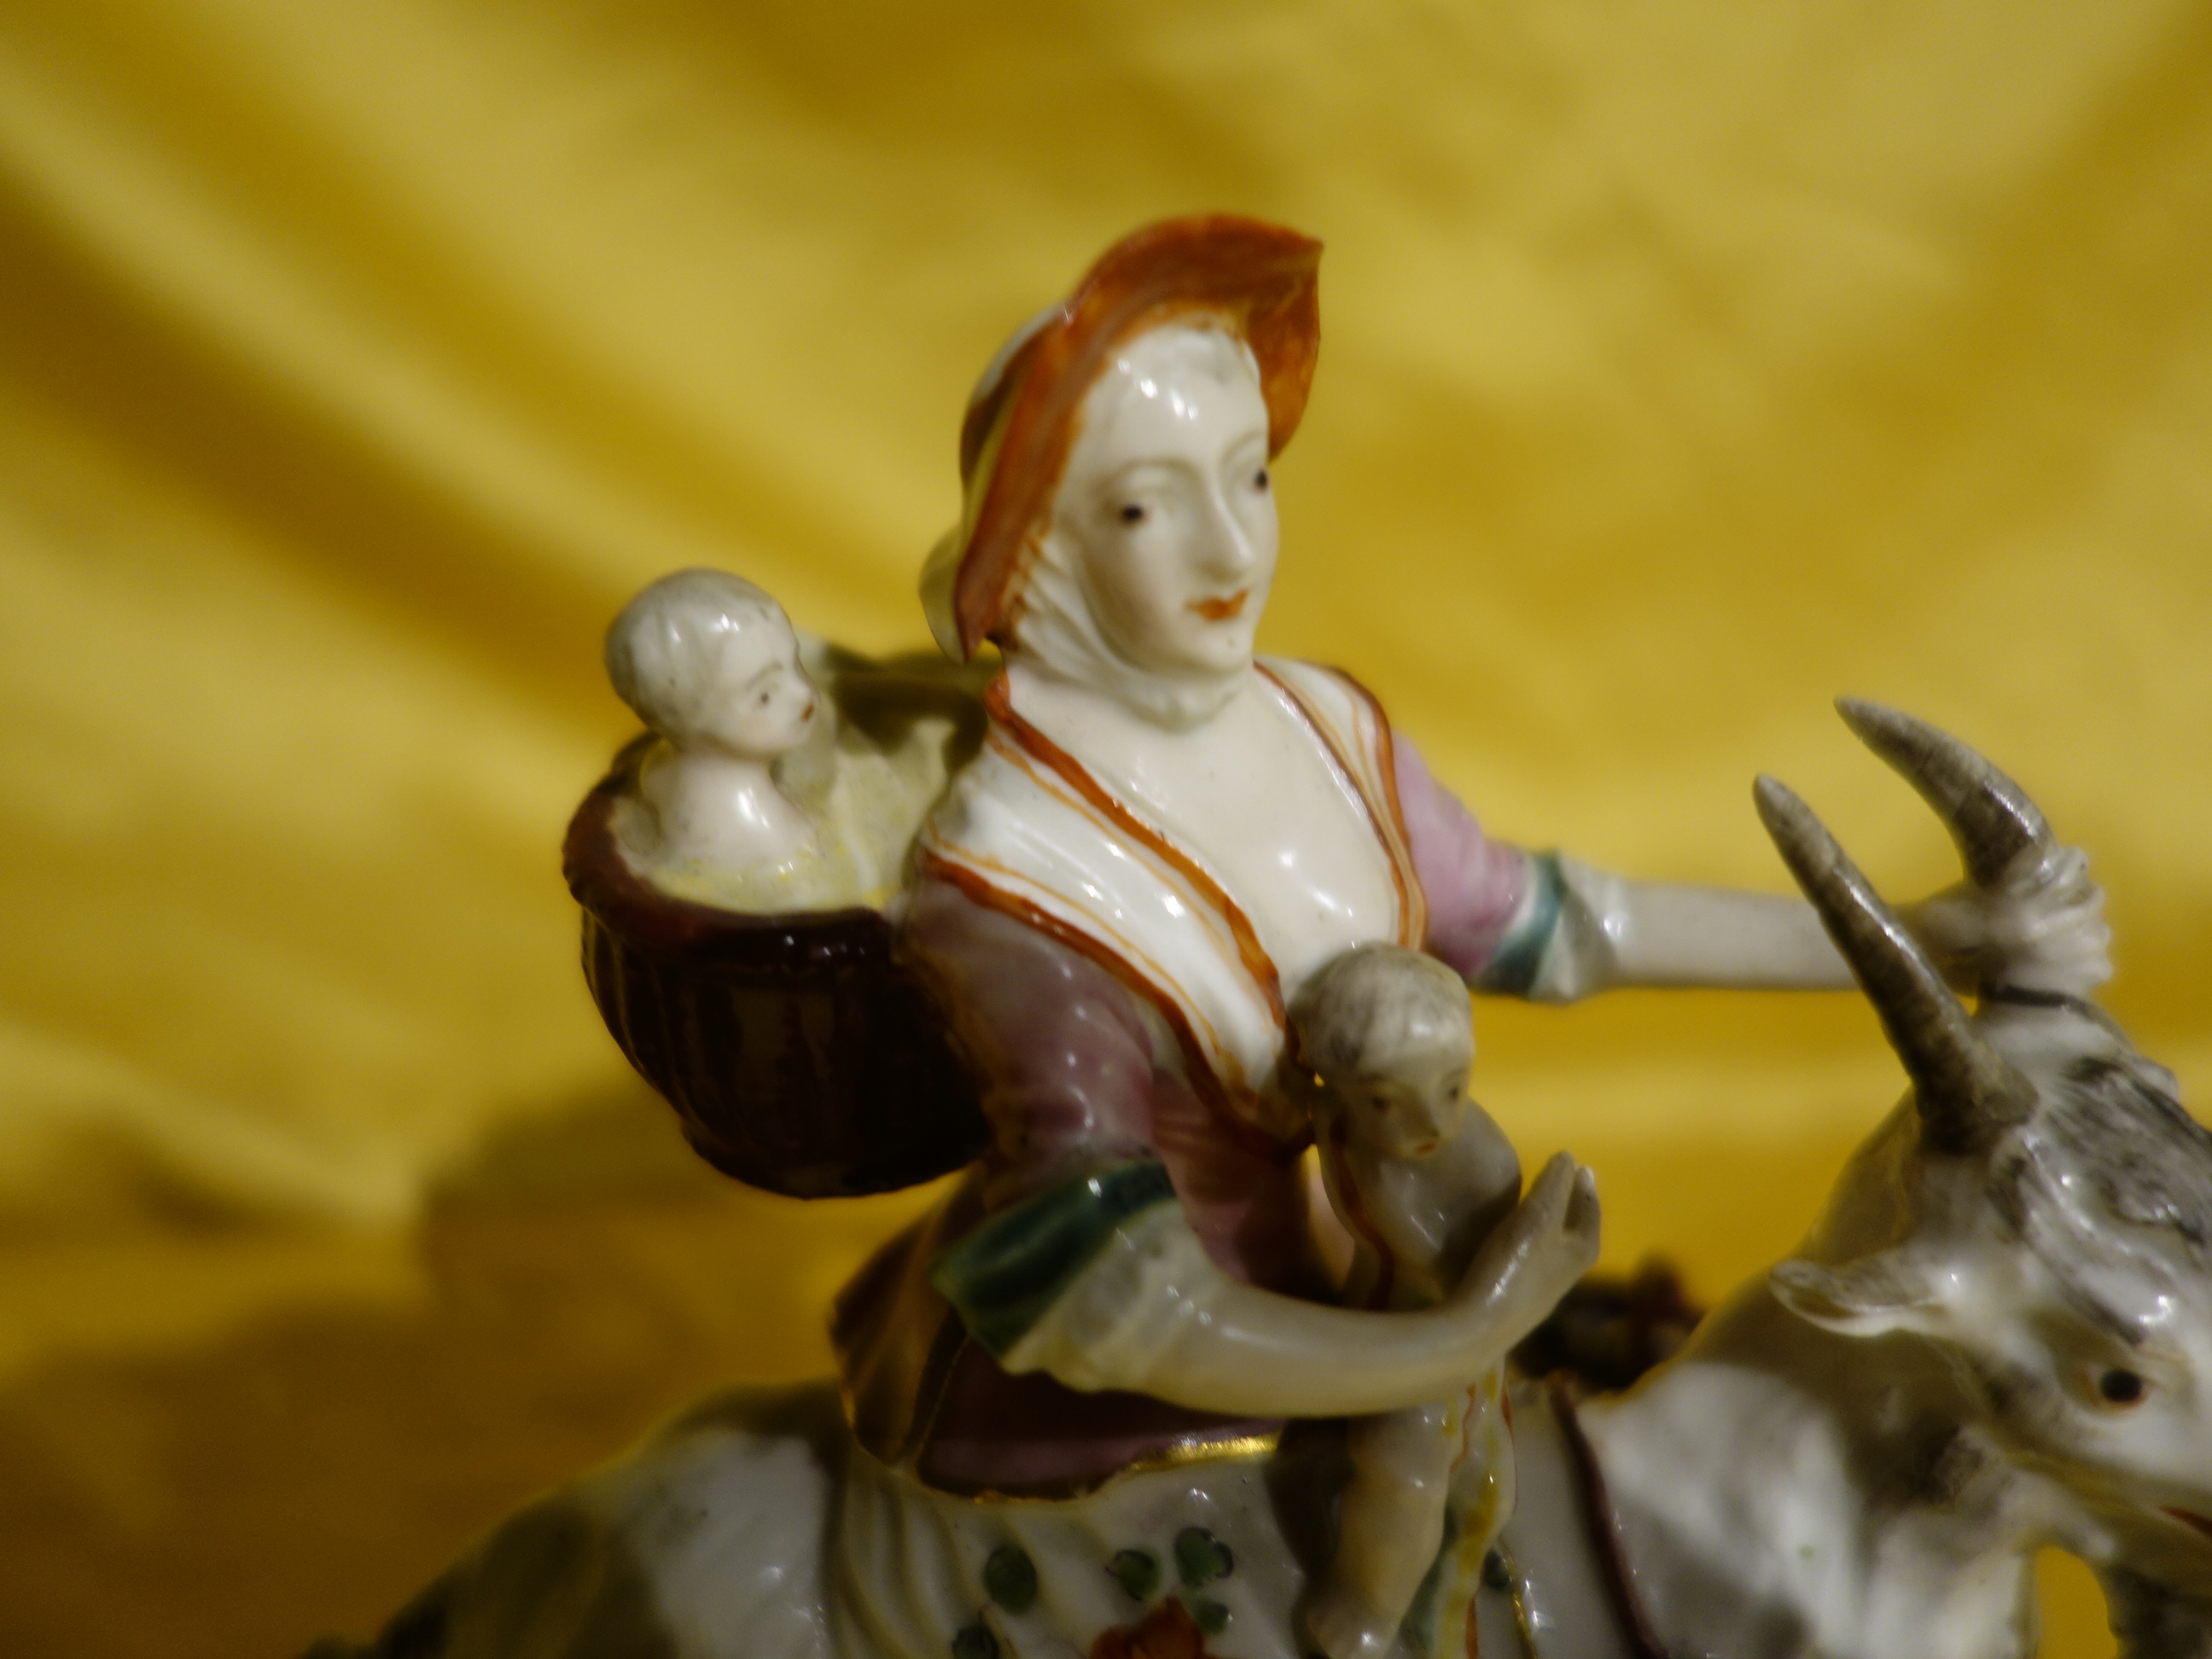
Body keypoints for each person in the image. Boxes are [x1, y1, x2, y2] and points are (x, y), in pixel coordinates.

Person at [1290, 944, 1529, 1659]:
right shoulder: (1334, 1118)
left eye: (1453, 1091)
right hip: (1373, 1323)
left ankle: (1383, 1606)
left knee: (1420, 1469)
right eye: (1386, 1102)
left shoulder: (1480, 1158)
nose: (1431, 1123)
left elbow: (1472, 1273)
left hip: (1445, 1348)